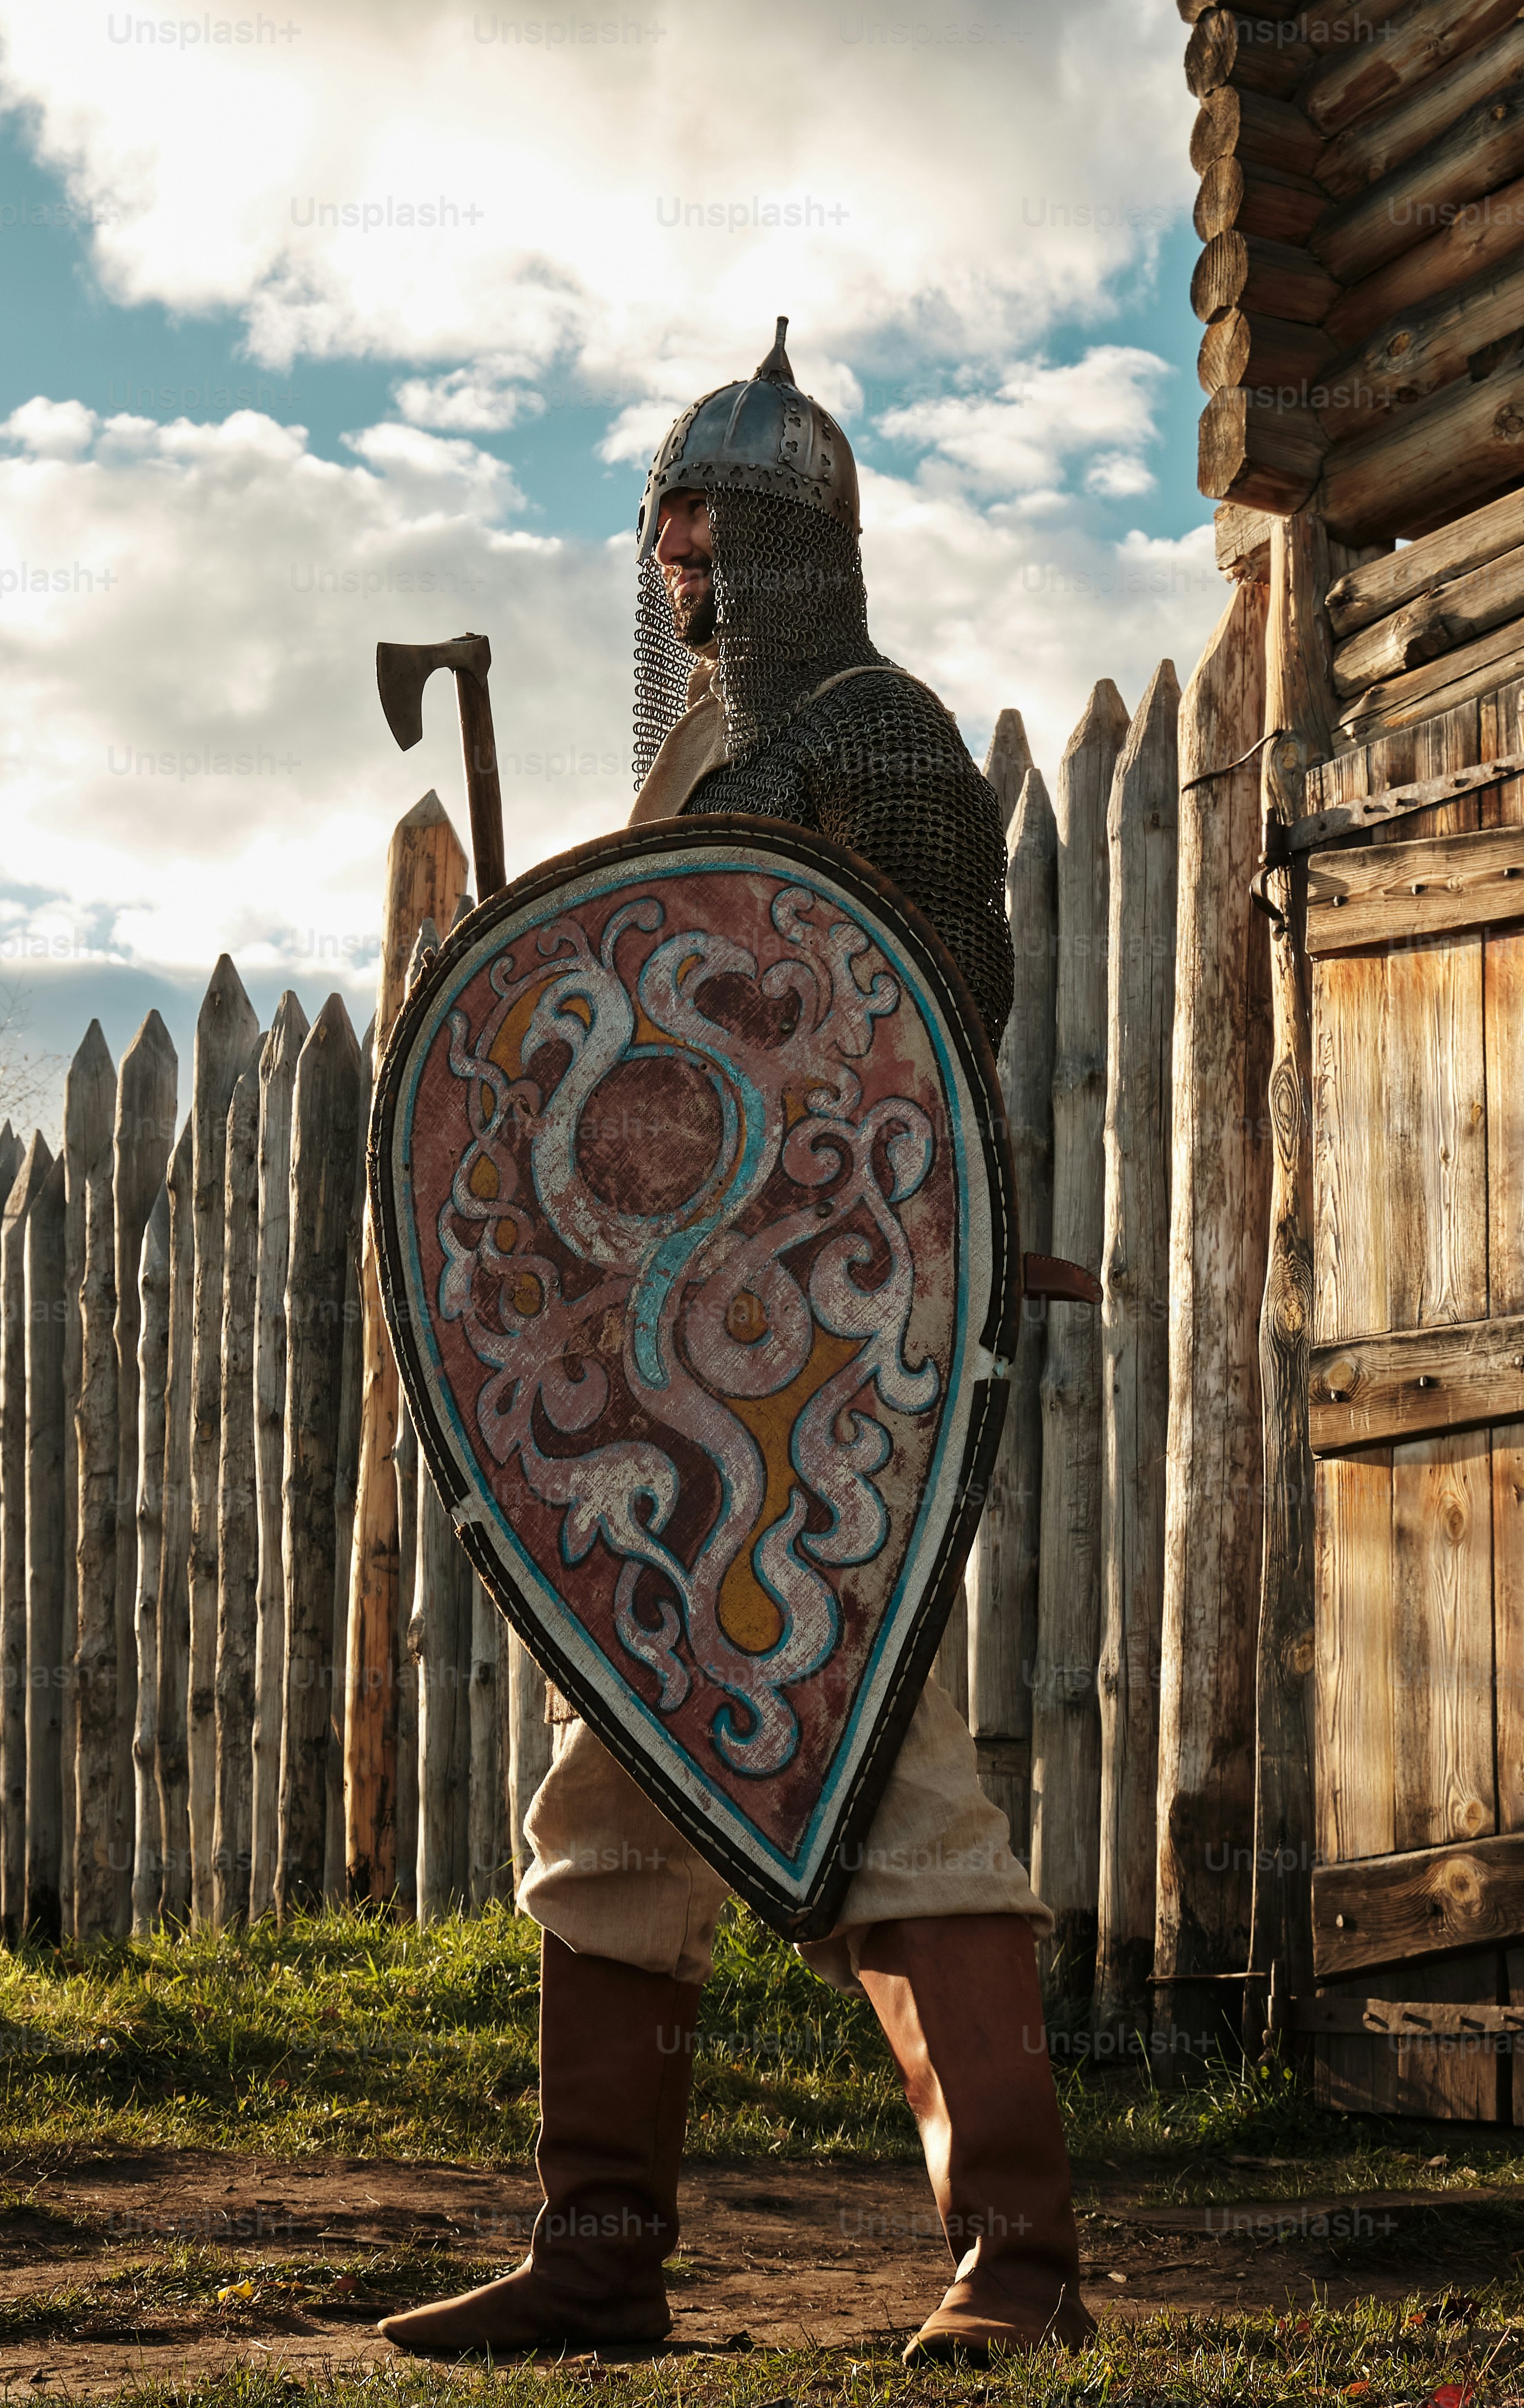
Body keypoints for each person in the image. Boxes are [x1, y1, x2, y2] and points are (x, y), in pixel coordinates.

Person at [380, 323, 1090, 2369]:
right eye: (667, 521)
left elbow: (925, 1048)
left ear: (798, 540)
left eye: (715, 516)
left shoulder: (881, 745)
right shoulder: (698, 768)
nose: (681, 548)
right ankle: (599, 2254)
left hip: (837, 1361)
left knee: (897, 1771)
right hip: (665, 1367)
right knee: (609, 1793)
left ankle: (1018, 2266)